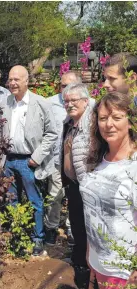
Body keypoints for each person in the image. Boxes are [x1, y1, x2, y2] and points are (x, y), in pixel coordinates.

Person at [1, 65, 57, 256]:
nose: (13, 83)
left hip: (29, 161)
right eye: (10, 79)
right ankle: (17, 236)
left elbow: (52, 133)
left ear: (27, 81)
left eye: (17, 79)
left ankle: (37, 238)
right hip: (8, 160)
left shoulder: (40, 103)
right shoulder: (6, 102)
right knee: (11, 200)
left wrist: (36, 157)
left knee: (35, 201)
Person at [83, 92, 137, 288]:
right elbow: (91, 211)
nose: (108, 124)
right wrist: (90, 254)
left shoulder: (134, 167)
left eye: (117, 117)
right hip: (99, 262)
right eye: (103, 118)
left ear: (130, 121)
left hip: (124, 270)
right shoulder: (97, 159)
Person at [60, 83, 95, 288]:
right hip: (73, 184)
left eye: (74, 100)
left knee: (88, 228)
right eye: (67, 100)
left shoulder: (91, 124)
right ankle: (79, 261)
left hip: (87, 185)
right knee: (77, 225)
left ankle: (87, 270)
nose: (70, 104)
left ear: (85, 101)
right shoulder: (70, 122)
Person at [44, 72, 82, 246]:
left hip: (79, 162)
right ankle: (51, 227)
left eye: (70, 85)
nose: (65, 89)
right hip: (56, 160)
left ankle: (72, 229)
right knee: (54, 196)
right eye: (62, 85)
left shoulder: (89, 104)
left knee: (77, 198)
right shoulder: (49, 103)